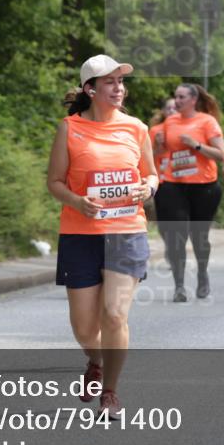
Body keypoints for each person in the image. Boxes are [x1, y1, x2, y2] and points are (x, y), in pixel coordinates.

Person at [46, 54, 157, 419]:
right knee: (83, 328)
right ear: (90, 89)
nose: (118, 88)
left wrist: (148, 188)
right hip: (81, 233)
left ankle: (110, 391)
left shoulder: (136, 128)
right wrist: (78, 201)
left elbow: (153, 175)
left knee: (114, 315)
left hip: (127, 232)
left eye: (121, 82)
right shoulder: (70, 128)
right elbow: (55, 183)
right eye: (110, 82)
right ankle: (95, 360)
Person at [155, 83, 224, 302]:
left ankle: (202, 275)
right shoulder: (170, 122)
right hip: (174, 184)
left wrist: (196, 145)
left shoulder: (207, 122)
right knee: (177, 236)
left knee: (199, 236)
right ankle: (179, 286)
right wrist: (158, 146)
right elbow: (160, 154)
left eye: (182, 97)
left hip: (203, 186)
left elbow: (221, 155)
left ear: (193, 100)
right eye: (176, 97)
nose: (177, 101)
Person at [147, 97, 177, 263]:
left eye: (175, 108)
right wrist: (158, 146)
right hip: (162, 181)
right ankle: (170, 245)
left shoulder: (186, 128)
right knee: (164, 221)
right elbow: (146, 158)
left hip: (182, 182)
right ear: (164, 112)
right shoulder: (155, 130)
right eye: (169, 108)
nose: (172, 111)